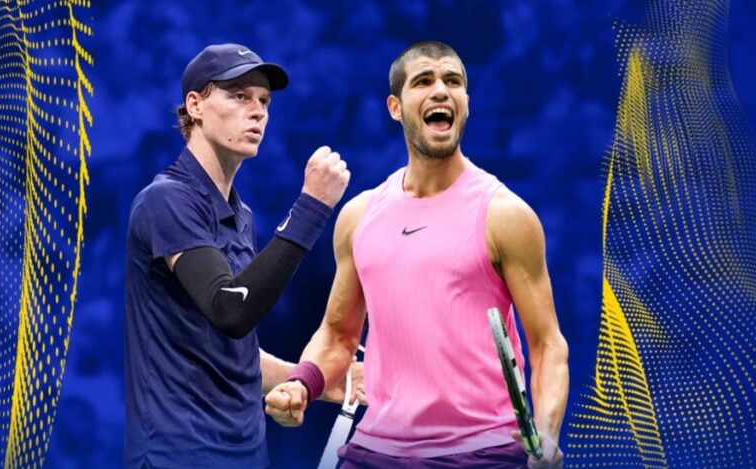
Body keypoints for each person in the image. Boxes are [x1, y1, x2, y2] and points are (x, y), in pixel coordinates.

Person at [265, 41, 569, 468]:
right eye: (424, 81)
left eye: (453, 82)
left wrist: (548, 434)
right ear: (395, 107)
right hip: (376, 451)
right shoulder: (359, 216)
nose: (441, 91)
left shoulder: (505, 215)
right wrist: (301, 383)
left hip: (480, 454)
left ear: (466, 102)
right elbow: (337, 336)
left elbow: (547, 345)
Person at [123, 43, 354, 468]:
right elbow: (230, 310)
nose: (258, 111)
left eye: (264, 101)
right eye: (239, 96)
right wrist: (311, 207)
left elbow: (229, 351)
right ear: (195, 105)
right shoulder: (167, 201)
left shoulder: (238, 214)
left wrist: (311, 381)